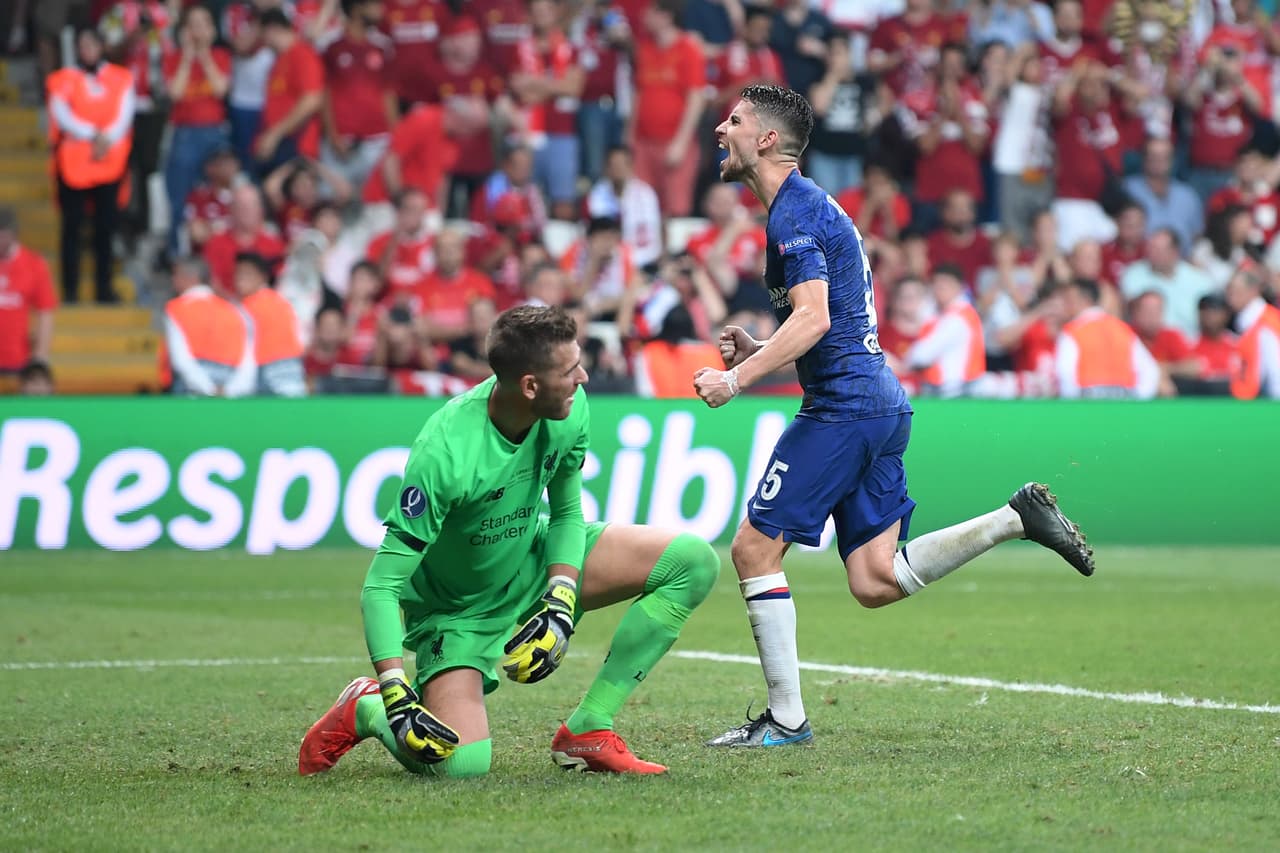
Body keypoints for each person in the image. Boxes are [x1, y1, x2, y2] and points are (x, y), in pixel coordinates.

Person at [691, 84, 1094, 748]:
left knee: (753, 547)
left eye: (734, 121)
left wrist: (737, 378)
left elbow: (816, 316)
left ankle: (787, 717)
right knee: (875, 579)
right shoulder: (814, 208)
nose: (720, 129)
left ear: (766, 139)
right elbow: (831, 322)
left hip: (844, 408)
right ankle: (1013, 517)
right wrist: (766, 349)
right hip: (878, 400)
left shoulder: (793, 213)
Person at [298, 305, 720, 777]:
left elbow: (565, 511)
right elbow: (381, 587)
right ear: (530, 386)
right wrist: (395, 689)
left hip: (533, 557)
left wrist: (561, 594)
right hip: (458, 610)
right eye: (569, 370)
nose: (583, 376)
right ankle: (366, 708)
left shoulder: (568, 405)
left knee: (692, 561)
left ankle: (588, 728)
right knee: (462, 768)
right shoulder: (445, 452)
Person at [46, 27, 135, 303]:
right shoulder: (62, 79)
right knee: (71, 228)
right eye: (81, 45)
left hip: (109, 162)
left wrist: (104, 139)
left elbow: (124, 114)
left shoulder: (121, 78)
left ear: (101, 46)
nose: (87, 51)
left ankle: (103, 289)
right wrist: (93, 135)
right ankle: (70, 290)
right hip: (73, 163)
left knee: (105, 229)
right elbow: (62, 115)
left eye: (91, 44)